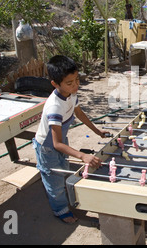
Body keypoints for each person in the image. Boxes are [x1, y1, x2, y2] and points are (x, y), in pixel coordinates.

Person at [32, 55, 107, 223]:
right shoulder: (54, 106)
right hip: (47, 146)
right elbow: (56, 144)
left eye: (77, 80)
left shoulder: (71, 94)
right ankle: (60, 210)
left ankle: (62, 196)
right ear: (55, 84)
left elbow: (79, 113)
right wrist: (82, 156)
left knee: (64, 167)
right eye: (69, 83)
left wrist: (97, 131)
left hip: (60, 141)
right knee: (54, 179)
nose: (75, 85)